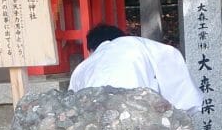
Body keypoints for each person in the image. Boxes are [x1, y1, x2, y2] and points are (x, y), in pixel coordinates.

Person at [68, 24, 203, 113]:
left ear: (91, 49)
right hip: (139, 114)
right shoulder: (135, 44)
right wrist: (183, 108)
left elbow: (71, 105)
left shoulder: (81, 67)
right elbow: (170, 57)